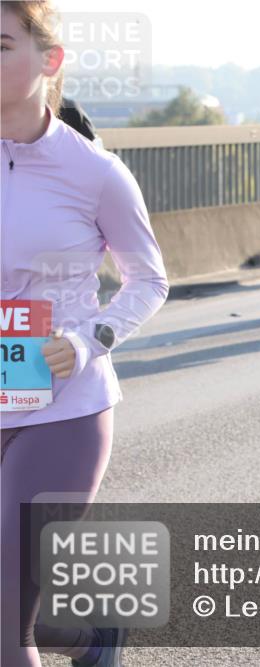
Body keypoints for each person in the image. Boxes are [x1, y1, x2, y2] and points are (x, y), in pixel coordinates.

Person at [1, 3, 169, 666]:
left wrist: (87, 338)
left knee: (5, 623)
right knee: (11, 608)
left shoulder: (95, 172)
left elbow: (148, 280)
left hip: (61, 410)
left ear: (50, 60)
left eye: (1, 44)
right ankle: (94, 635)